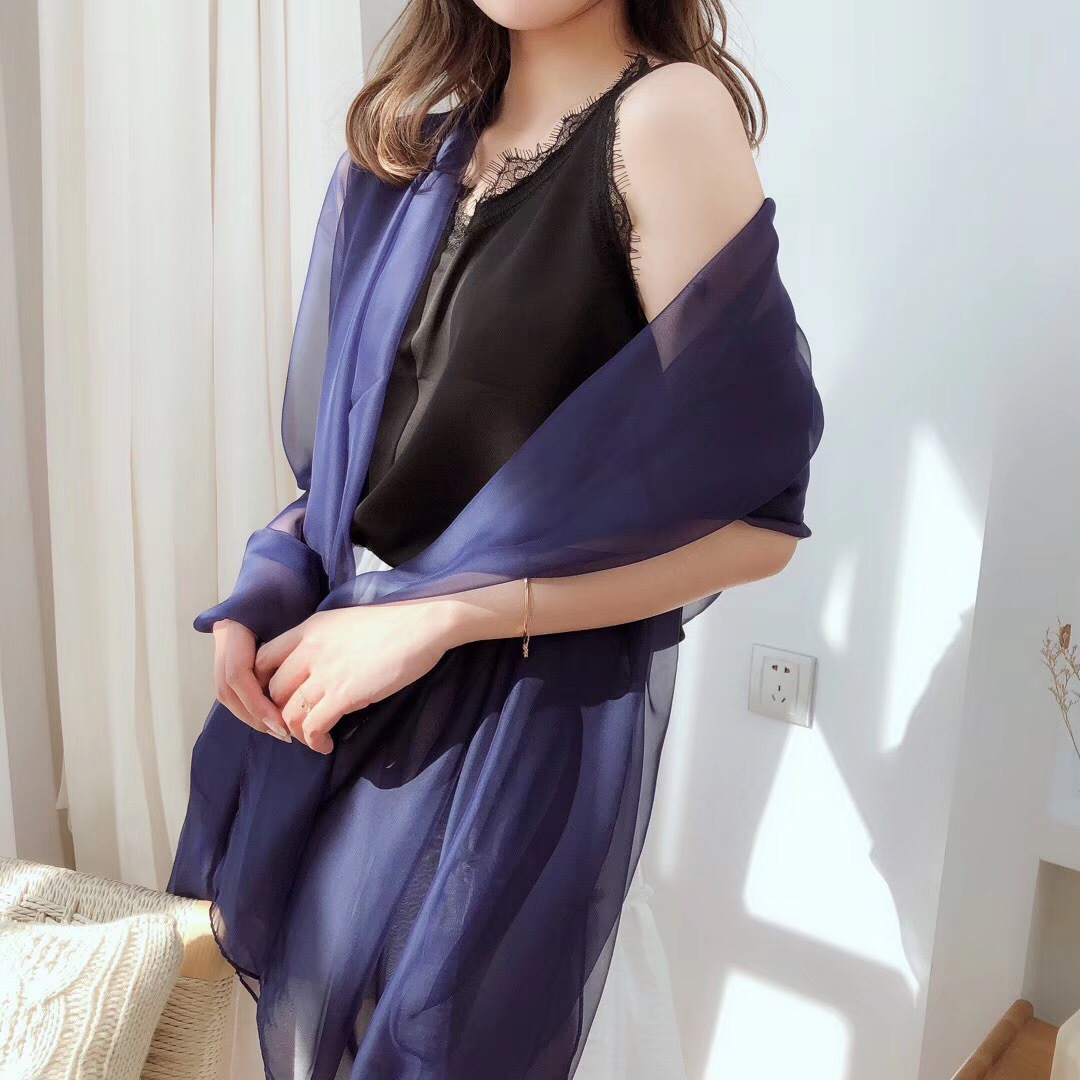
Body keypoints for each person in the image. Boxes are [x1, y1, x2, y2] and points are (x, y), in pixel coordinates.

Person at [168, 1, 823, 1077]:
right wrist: (272, 579)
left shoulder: (664, 119)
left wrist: (450, 617)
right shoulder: (405, 148)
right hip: (348, 703)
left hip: (513, 739)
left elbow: (758, 525)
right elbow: (360, 484)